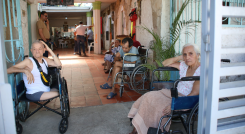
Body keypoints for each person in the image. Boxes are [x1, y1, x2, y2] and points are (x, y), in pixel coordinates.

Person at [127, 43, 201, 134]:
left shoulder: (200, 71)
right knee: (148, 96)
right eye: (185, 54)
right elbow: (164, 63)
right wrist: (179, 57)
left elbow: (194, 94)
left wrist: (175, 105)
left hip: (184, 99)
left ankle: (147, 130)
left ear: (198, 55)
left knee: (158, 108)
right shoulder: (184, 65)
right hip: (173, 93)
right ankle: (137, 129)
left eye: (191, 54)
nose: (187, 57)